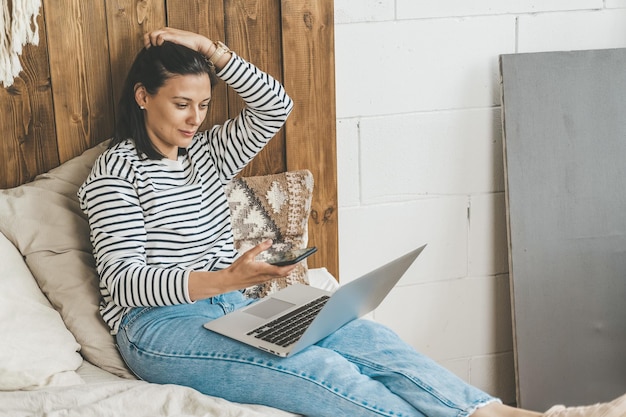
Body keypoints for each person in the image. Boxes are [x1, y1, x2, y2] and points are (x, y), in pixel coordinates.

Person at [78, 27, 626, 417]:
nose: (196, 119)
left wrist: (211, 52)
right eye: (181, 105)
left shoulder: (205, 153)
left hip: (234, 306)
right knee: (321, 370)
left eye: (203, 104)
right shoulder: (114, 172)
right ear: (143, 97)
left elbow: (275, 106)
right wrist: (225, 279)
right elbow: (125, 279)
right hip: (161, 329)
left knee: (369, 340)